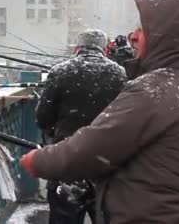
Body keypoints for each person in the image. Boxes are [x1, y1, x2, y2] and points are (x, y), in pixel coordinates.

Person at [20, 0, 179, 223]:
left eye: (142, 30)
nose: (132, 37)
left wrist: (37, 161)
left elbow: (90, 149)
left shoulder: (156, 90)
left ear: (167, 37)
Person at [36, 29, 126, 224]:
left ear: (77, 47)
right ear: (104, 48)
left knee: (65, 217)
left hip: (67, 163)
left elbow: (43, 119)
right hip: (105, 166)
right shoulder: (118, 73)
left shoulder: (60, 71)